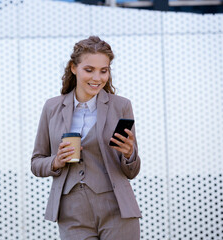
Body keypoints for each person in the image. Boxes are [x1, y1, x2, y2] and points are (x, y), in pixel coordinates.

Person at [31, 36, 141, 240]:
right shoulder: (52, 107)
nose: (97, 78)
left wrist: (129, 154)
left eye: (104, 70)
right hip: (72, 213)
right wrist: (55, 161)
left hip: (116, 208)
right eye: (89, 70)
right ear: (73, 68)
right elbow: (36, 162)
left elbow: (132, 171)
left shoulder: (121, 106)